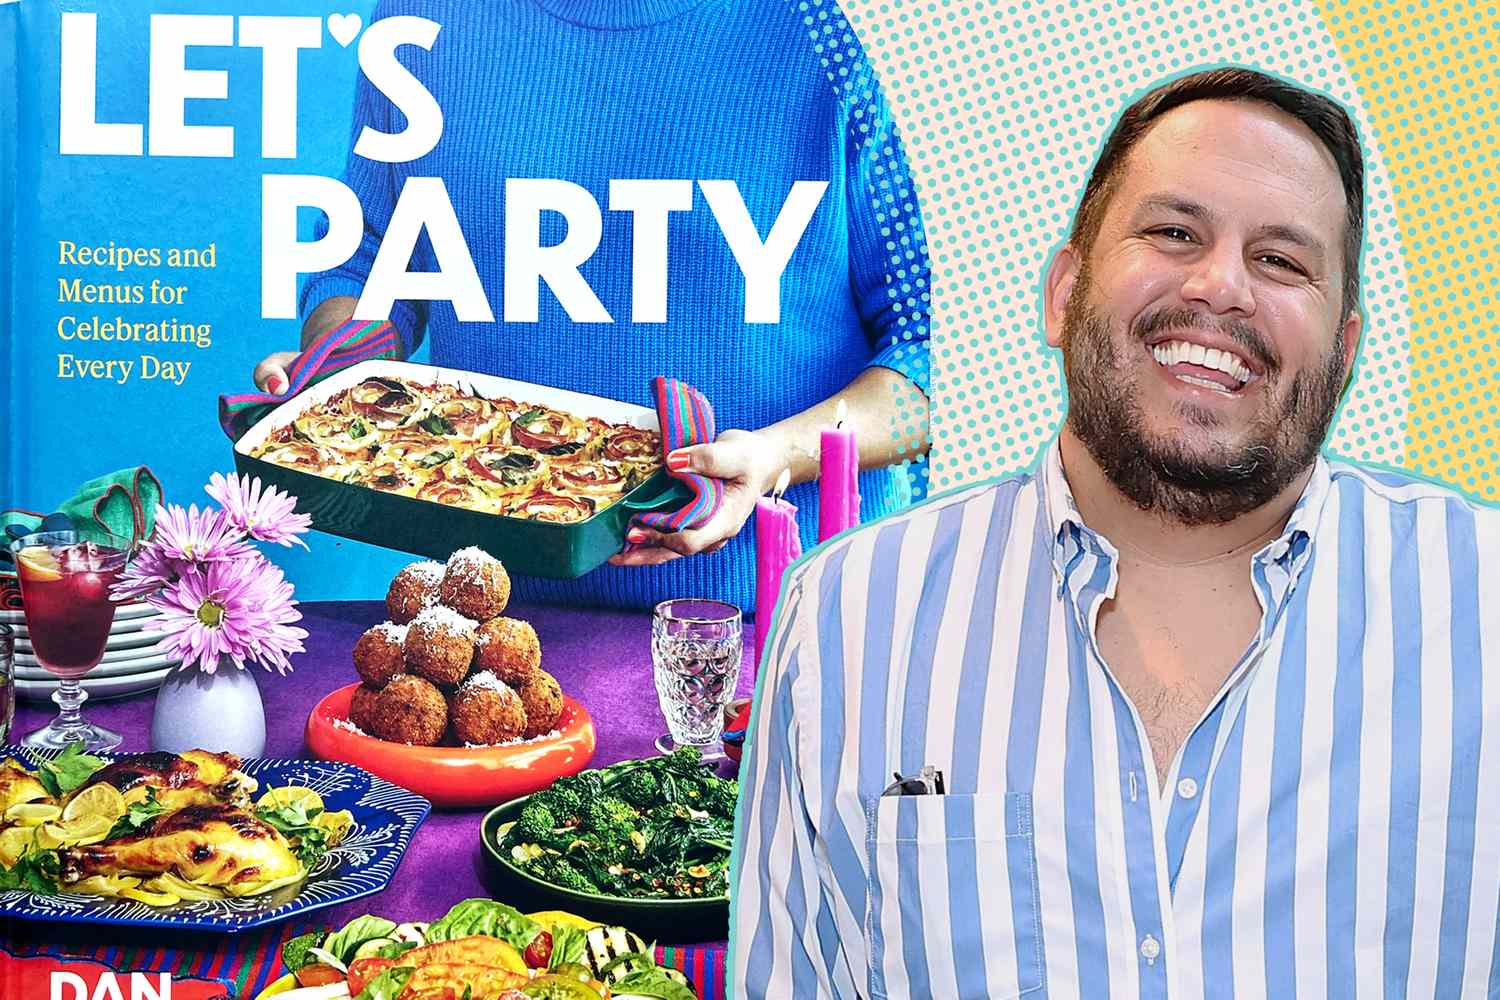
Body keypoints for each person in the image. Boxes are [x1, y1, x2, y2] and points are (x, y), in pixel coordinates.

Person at [731, 67, 1500, 998]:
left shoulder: (1482, 608)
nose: (1222, 287)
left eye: (1283, 261)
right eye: (1174, 232)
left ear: (1343, 354)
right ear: (1062, 293)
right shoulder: (850, 622)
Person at [253, 0, 931, 612]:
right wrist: (337, 372)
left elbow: (937, 358)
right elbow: (372, 258)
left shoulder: (853, 30)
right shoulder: (424, 15)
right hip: (493, 615)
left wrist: (774, 456)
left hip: (794, 617)